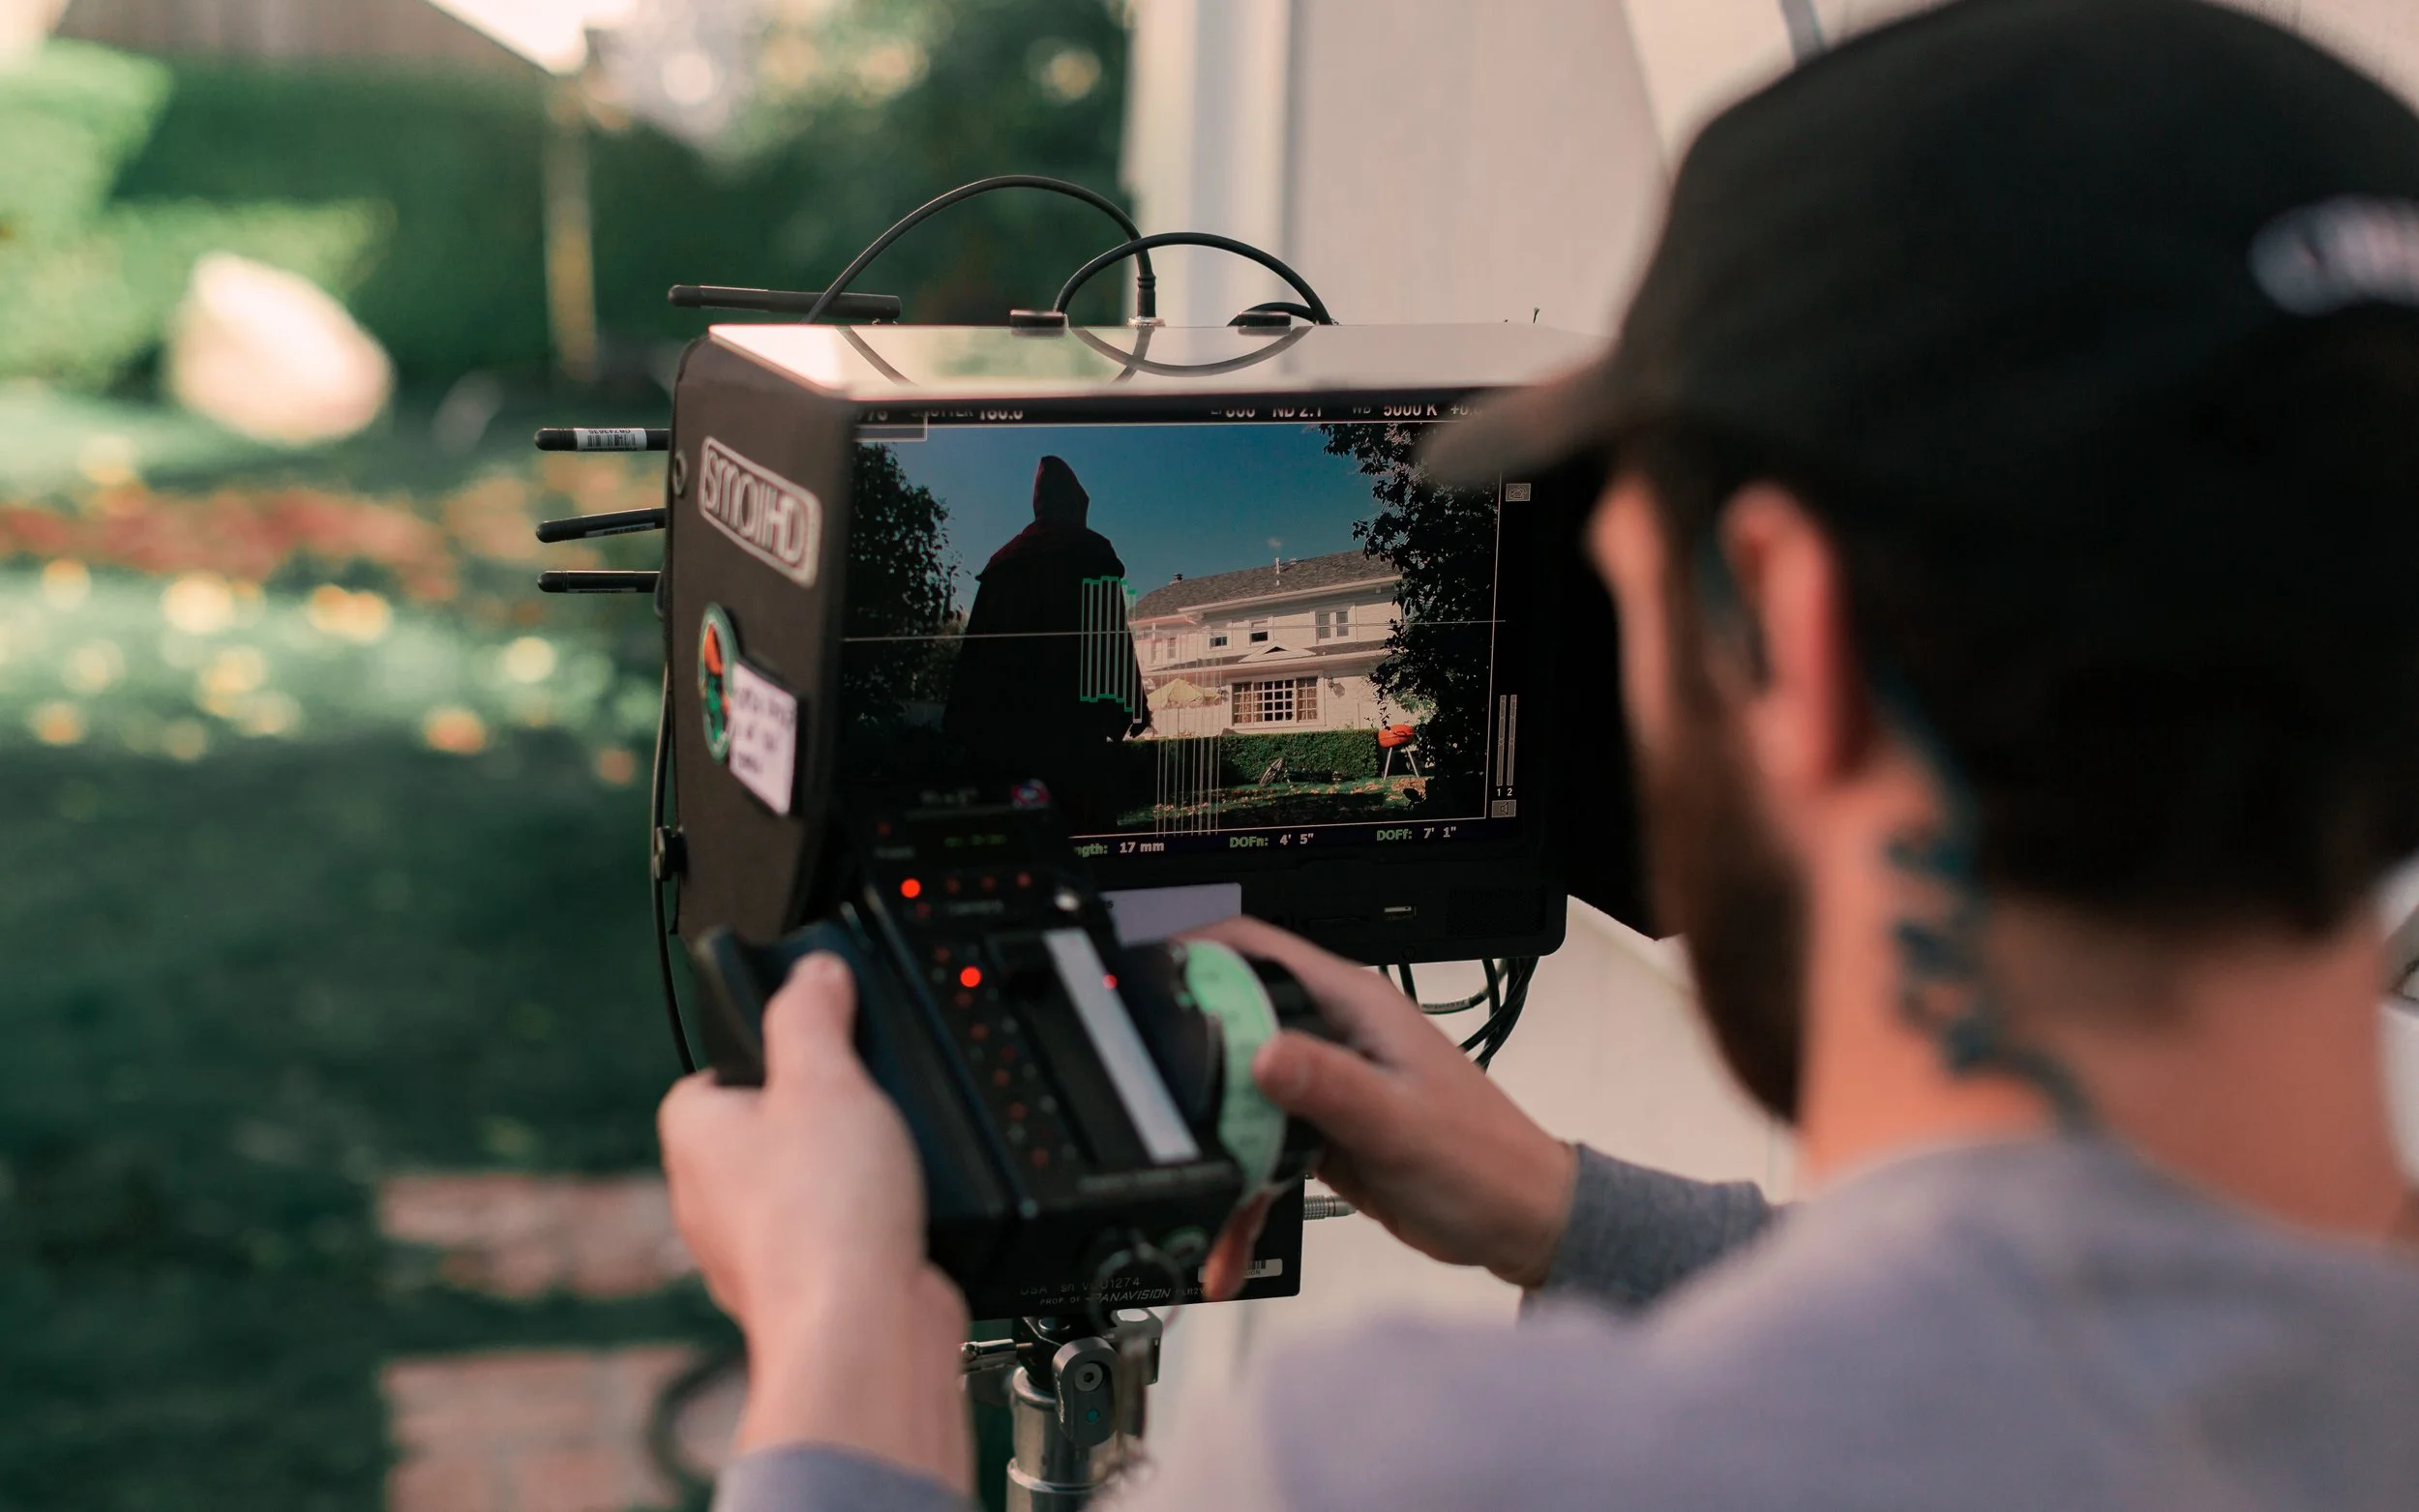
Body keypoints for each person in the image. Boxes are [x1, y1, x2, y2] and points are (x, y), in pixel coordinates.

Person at [658, 2, 2419, 1508]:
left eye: (1623, 589)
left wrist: (843, 1366)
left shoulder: (1427, 1468)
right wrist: (1572, 1214)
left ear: (1790, 631)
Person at [942, 455, 1148, 832]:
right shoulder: (1091, 552)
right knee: (1086, 838)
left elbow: (976, 653)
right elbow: (1111, 638)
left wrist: (962, 725)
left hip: (1006, 732)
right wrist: (1129, 704)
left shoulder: (1002, 562)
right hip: (1073, 730)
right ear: (1075, 503)